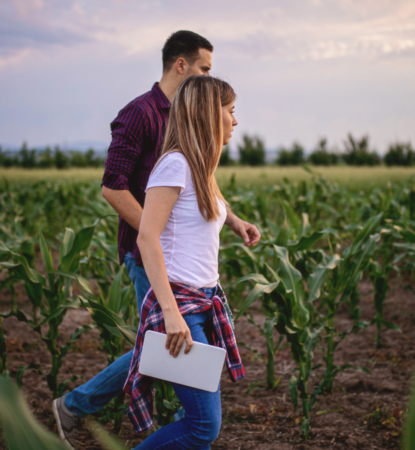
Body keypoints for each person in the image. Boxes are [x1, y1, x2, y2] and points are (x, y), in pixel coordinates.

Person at [53, 31, 260, 450]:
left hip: (196, 291)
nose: (236, 120)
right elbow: (115, 190)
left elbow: (203, 191)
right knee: (176, 375)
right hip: (167, 275)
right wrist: (161, 236)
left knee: (167, 363)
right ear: (181, 66)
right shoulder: (143, 118)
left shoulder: (197, 158)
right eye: (204, 70)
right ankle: (75, 406)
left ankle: (79, 406)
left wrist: (231, 219)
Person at [125, 74, 251, 449]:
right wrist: (171, 314)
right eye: (231, 111)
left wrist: (235, 221)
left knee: (199, 429)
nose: (236, 120)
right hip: (181, 307)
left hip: (203, 301)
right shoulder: (175, 166)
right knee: (201, 426)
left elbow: (212, 196)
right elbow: (146, 237)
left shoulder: (200, 166)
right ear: (208, 115)